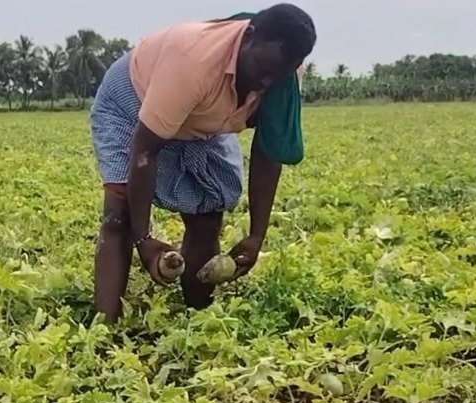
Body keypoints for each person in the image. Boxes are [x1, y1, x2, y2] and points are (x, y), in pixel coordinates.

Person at [88, 5, 316, 323]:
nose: (264, 82)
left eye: (275, 76)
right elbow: (144, 151)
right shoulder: (193, 60)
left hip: (204, 114)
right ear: (248, 37)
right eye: (262, 69)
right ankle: (103, 332)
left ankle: (197, 318)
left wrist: (256, 237)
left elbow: (269, 151)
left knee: (207, 215)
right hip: (133, 98)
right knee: (119, 217)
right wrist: (144, 240)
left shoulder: (283, 76)